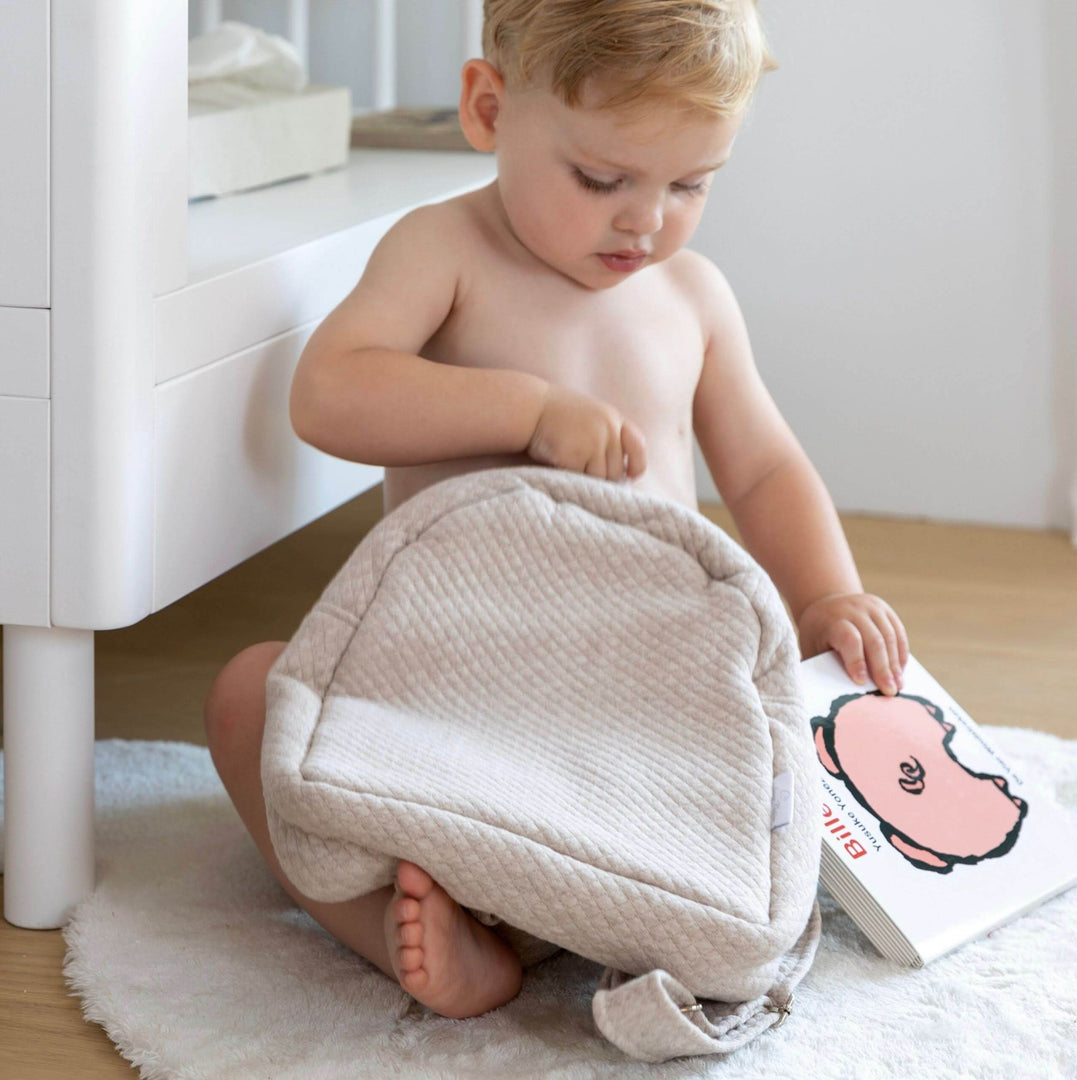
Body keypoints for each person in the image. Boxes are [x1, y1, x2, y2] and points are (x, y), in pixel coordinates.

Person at [204, 0, 910, 1022]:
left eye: (690, 185)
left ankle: (649, 910)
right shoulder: (444, 251)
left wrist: (827, 597)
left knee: (771, 779)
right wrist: (524, 410)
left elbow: (763, 470)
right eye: (601, 179)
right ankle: (419, 935)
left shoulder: (693, 298)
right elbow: (329, 393)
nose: (645, 221)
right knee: (247, 699)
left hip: (637, 729)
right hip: (449, 709)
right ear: (489, 109)